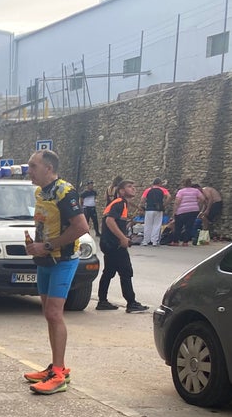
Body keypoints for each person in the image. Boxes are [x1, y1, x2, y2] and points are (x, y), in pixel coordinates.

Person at [22, 149, 90, 396]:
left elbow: (82, 227)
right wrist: (35, 245)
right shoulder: (41, 192)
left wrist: (48, 245)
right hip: (44, 260)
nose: (29, 171)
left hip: (63, 259)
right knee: (48, 314)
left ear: (48, 168)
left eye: (33, 166)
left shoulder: (65, 192)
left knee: (54, 313)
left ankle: (59, 374)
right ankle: (55, 367)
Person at [96, 179, 148, 314]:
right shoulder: (119, 203)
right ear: (121, 191)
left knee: (109, 272)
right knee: (126, 272)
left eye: (133, 186)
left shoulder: (120, 203)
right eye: (129, 186)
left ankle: (102, 301)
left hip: (109, 243)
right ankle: (131, 303)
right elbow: (109, 221)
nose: (133, 188)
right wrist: (122, 238)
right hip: (115, 245)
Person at [171, 178, 204, 246]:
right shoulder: (196, 191)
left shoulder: (181, 191)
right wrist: (197, 204)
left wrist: (174, 211)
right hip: (193, 210)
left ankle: (176, 242)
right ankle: (185, 242)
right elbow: (203, 199)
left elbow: (177, 202)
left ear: (183, 184)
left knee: (178, 226)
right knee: (189, 226)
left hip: (182, 211)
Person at [141, 178, 169, 246]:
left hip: (149, 209)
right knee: (157, 225)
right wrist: (164, 204)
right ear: (160, 183)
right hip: (158, 209)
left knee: (148, 225)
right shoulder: (163, 189)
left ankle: (146, 241)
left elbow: (142, 199)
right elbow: (169, 196)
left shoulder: (148, 190)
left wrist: (143, 205)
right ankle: (154, 241)